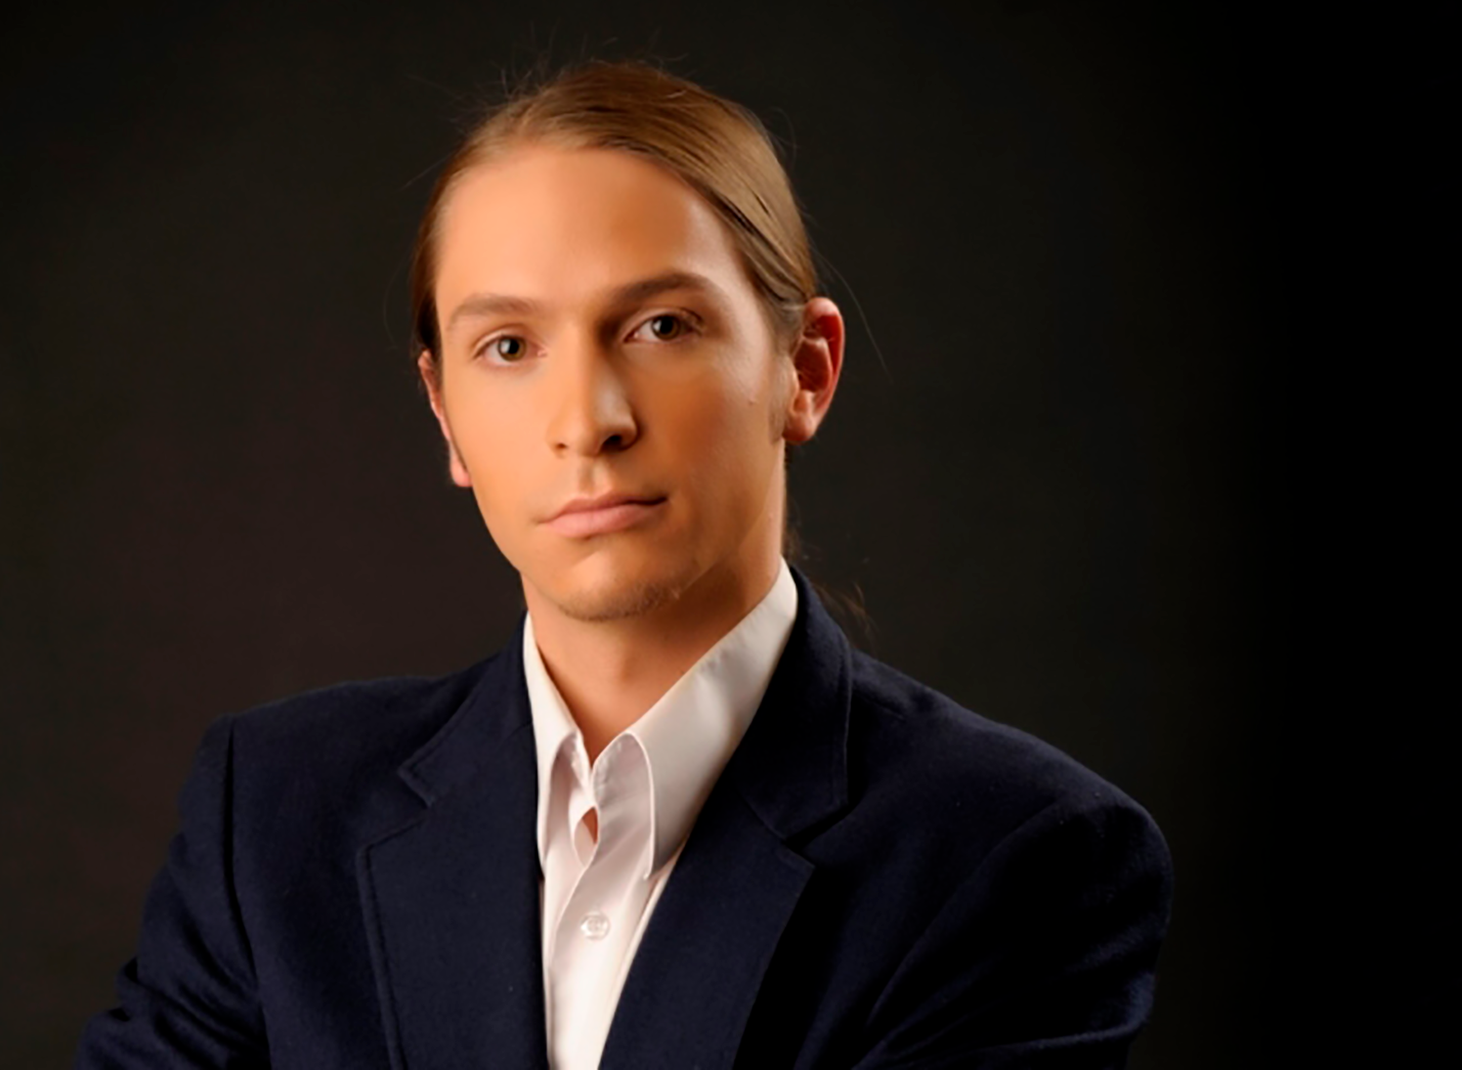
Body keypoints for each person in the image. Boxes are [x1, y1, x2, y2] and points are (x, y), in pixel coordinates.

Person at [75, 60, 1172, 1069]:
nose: (587, 420)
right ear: (444, 414)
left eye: (658, 325)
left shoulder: (1014, 856)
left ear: (806, 369)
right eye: (508, 346)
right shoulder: (271, 818)